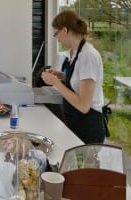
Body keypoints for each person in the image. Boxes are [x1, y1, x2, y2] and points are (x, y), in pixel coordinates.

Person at [41, 10, 106, 143]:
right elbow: (79, 82)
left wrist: (56, 83)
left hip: (88, 127)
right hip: (75, 122)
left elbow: (83, 105)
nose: (57, 39)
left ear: (65, 30)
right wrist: (62, 76)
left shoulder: (88, 56)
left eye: (56, 34)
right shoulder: (76, 53)